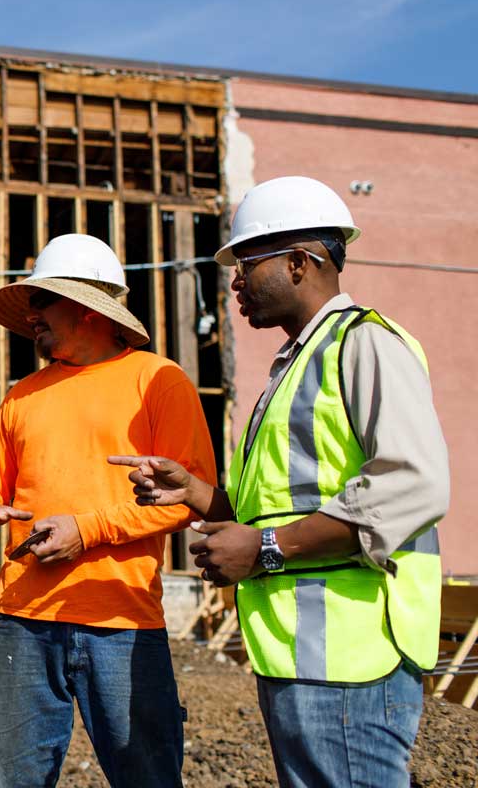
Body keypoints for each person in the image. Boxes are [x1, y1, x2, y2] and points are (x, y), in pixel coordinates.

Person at [111, 175, 449, 788]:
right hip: (304, 654)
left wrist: (264, 550)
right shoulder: (296, 364)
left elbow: (413, 483)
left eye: (246, 263)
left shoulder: (364, 343)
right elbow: (276, 507)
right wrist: (195, 493)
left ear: (299, 263)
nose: (234, 281)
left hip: (355, 656)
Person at [0, 233, 216, 788]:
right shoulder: (23, 395)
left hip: (120, 620)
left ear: (84, 307)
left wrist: (87, 531)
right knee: (16, 779)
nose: (33, 317)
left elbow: (192, 495)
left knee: (147, 777)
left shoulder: (158, 382)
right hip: (22, 619)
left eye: (42, 302)